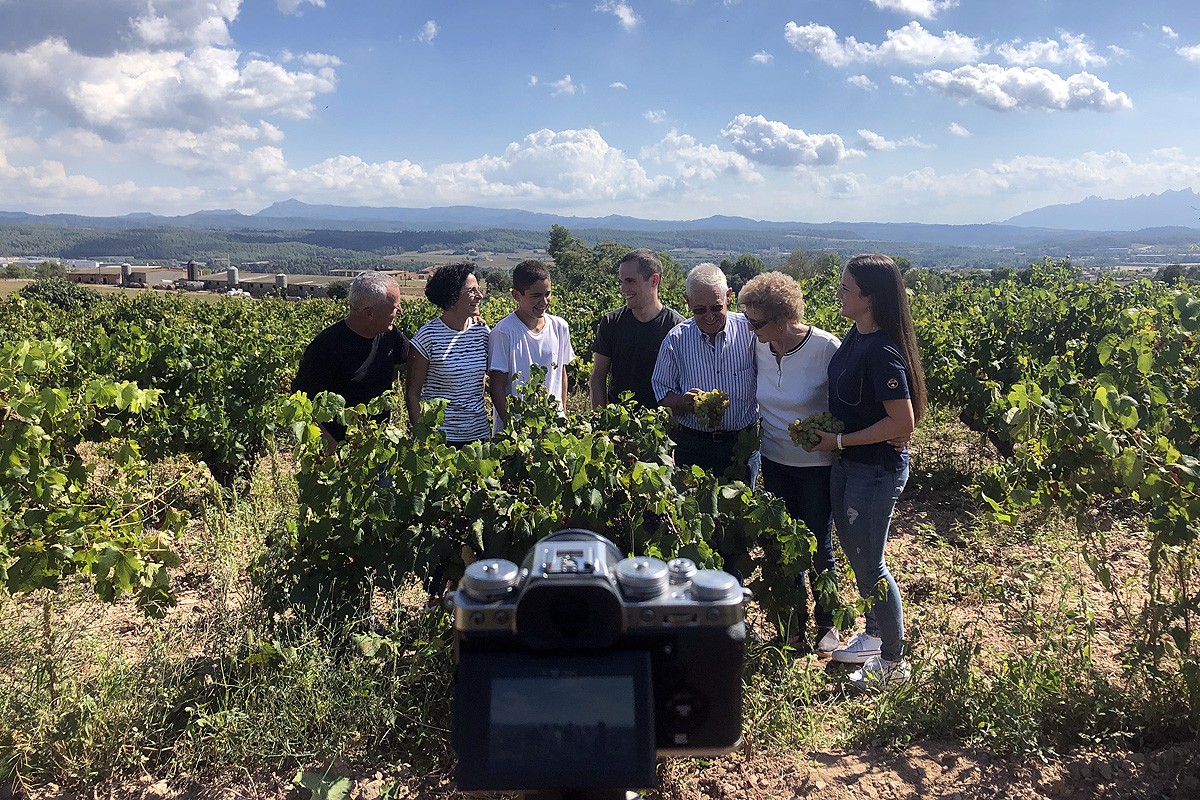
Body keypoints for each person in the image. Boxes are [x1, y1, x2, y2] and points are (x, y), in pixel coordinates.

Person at [811, 254, 927, 690]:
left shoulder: (881, 351)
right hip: (851, 466)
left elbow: (903, 423)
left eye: (846, 288)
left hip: (873, 471)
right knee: (859, 559)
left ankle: (894, 665)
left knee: (871, 565)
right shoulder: (857, 335)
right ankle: (875, 638)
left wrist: (839, 442)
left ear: (869, 297)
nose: (839, 293)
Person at [738, 271, 842, 655]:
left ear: (784, 318)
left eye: (757, 321)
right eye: (747, 319)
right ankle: (794, 626)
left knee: (817, 543)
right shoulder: (760, 346)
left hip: (817, 466)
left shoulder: (825, 348)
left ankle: (828, 623)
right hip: (775, 460)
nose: (749, 327)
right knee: (786, 545)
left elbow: (845, 404)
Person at [652, 262, 757, 580]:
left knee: (737, 528)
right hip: (693, 446)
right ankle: (700, 594)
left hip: (741, 446)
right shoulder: (676, 338)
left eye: (716, 308)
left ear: (729, 296)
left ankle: (733, 597)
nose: (709, 317)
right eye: (700, 311)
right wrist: (683, 401)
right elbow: (661, 392)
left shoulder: (751, 333)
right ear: (687, 305)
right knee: (696, 524)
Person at [292, 270, 409, 450]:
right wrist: (331, 449)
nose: (399, 311)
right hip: (339, 453)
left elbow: (412, 358)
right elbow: (301, 404)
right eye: (394, 307)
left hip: (378, 446)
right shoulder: (326, 347)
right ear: (369, 314)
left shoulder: (389, 335)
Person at [405, 262, 491, 445]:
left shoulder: (482, 332)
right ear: (452, 297)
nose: (480, 296)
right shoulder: (427, 337)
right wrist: (423, 439)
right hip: (441, 439)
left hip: (479, 435)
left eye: (478, 289)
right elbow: (412, 393)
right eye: (471, 291)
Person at [589, 248, 684, 409]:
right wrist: (600, 422)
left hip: (662, 428)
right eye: (621, 281)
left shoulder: (677, 328)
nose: (623, 288)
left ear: (654, 280)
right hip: (618, 426)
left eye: (630, 281)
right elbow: (598, 377)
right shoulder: (611, 322)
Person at [488, 259, 575, 433]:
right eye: (536, 295)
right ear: (516, 295)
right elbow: (496, 385)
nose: (544, 301)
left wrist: (562, 413)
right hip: (516, 431)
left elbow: (561, 374)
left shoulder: (560, 327)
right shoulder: (504, 331)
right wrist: (513, 426)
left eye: (547, 294)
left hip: (552, 427)